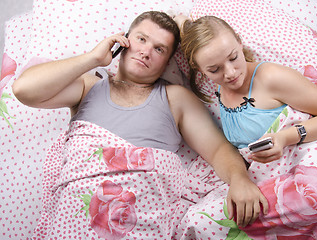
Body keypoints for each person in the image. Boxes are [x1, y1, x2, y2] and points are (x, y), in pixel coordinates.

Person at [12, 11, 268, 228]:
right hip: (78, 213)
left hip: (142, 216)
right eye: (141, 39)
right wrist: (92, 58)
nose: (146, 52)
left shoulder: (175, 97)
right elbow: (24, 89)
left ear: (167, 62)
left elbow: (218, 150)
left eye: (159, 49)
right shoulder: (89, 86)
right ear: (123, 41)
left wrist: (240, 180)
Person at [175, 15, 317, 163]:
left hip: (304, 159)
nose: (230, 73)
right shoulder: (213, 81)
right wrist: (180, 21)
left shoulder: (271, 78)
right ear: (199, 69)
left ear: (239, 42)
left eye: (234, 57)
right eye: (214, 69)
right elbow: (191, 36)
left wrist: (286, 137)